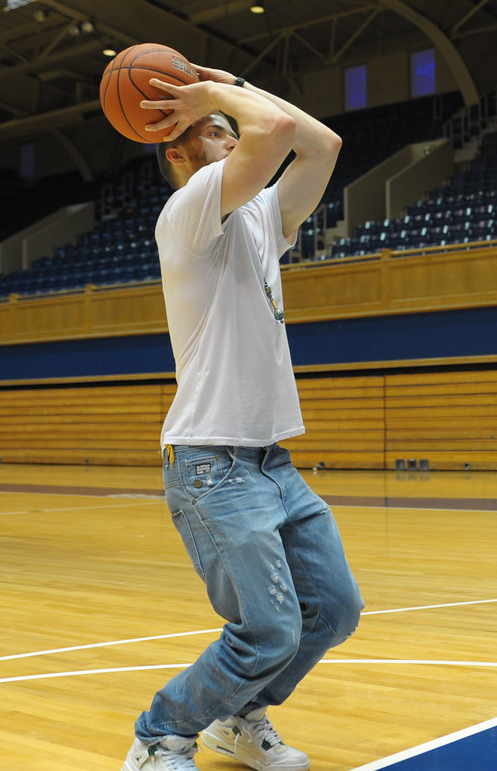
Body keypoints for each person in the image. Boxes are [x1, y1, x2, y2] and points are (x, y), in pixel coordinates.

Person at [120, 63, 363, 771]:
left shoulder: (260, 217)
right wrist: (218, 97)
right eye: (212, 128)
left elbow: (321, 144)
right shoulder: (191, 206)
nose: (230, 132)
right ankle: (159, 733)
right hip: (211, 463)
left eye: (233, 127)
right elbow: (278, 130)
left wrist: (222, 85)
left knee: (334, 609)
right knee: (266, 629)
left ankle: (238, 715)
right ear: (177, 151)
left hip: (268, 459)